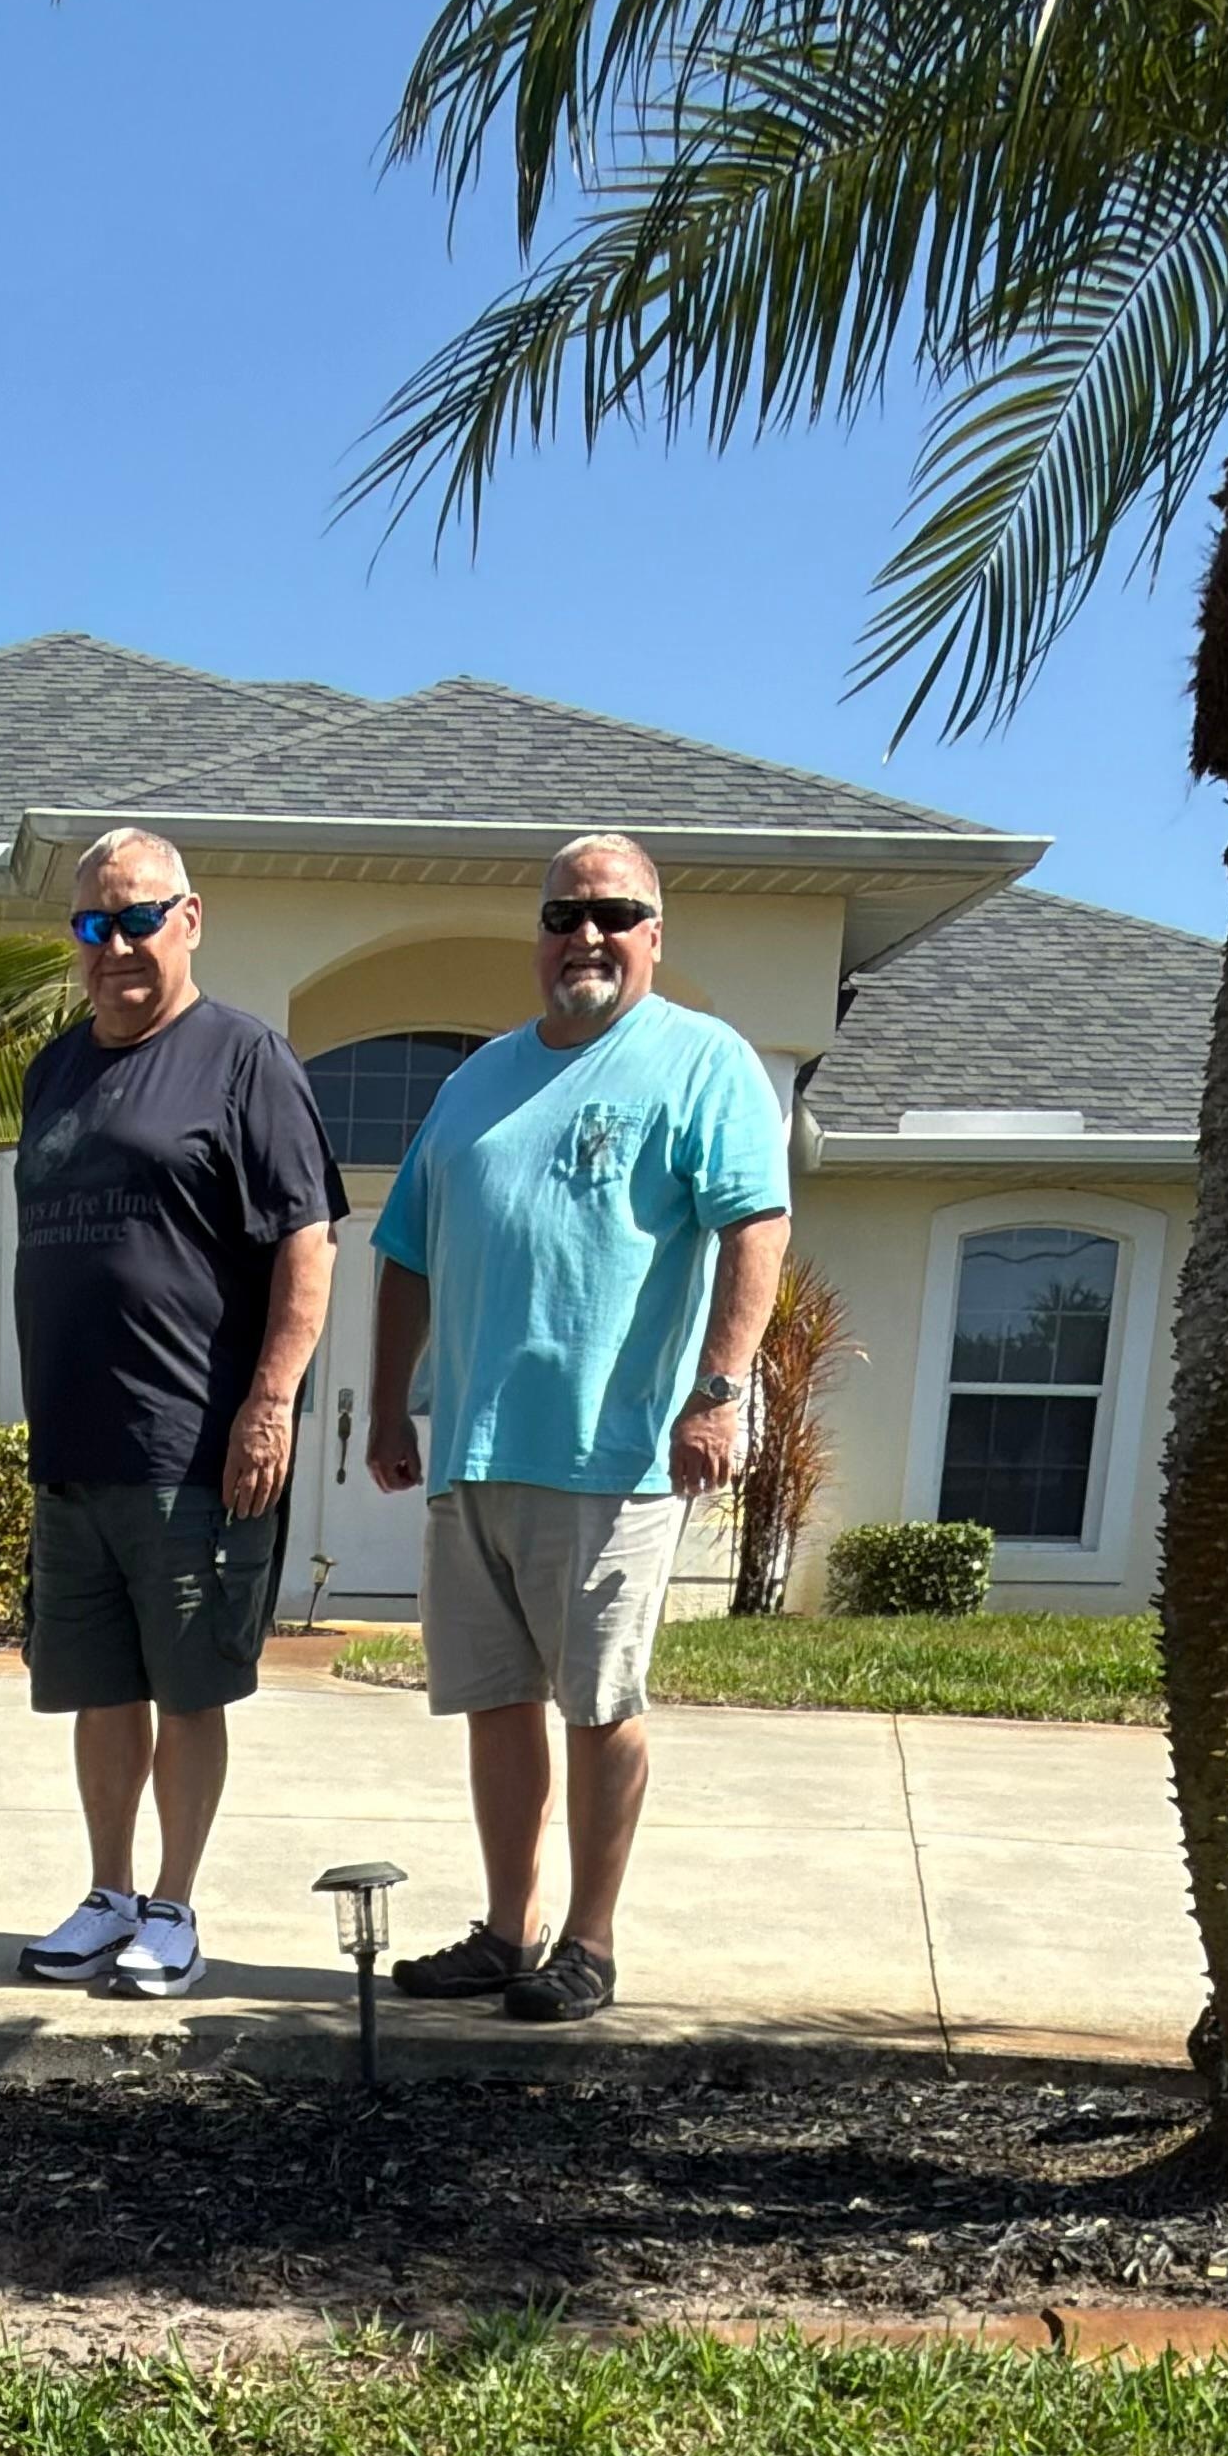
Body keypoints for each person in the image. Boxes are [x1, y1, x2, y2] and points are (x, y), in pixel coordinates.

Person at [370, 832, 789, 2024]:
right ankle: (510, 1930)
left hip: (614, 1453)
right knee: (493, 1700)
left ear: (654, 932)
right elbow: (402, 1248)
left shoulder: (699, 1061)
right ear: (539, 933)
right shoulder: (473, 1081)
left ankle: (588, 1943)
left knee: (598, 1702)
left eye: (613, 912)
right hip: (473, 1449)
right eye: (564, 913)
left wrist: (718, 1391)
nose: (585, 935)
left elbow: (755, 1226)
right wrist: (396, 1398)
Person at [10, 828, 345, 1998]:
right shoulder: (51, 1070)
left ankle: (174, 1905)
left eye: (138, 917)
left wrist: (269, 1401)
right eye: (95, 925)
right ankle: (107, 1895)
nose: (117, 946)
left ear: (189, 917)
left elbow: (307, 1244)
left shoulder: (246, 1060)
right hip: (73, 1449)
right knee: (100, 1688)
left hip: (192, 1448)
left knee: (188, 1686)